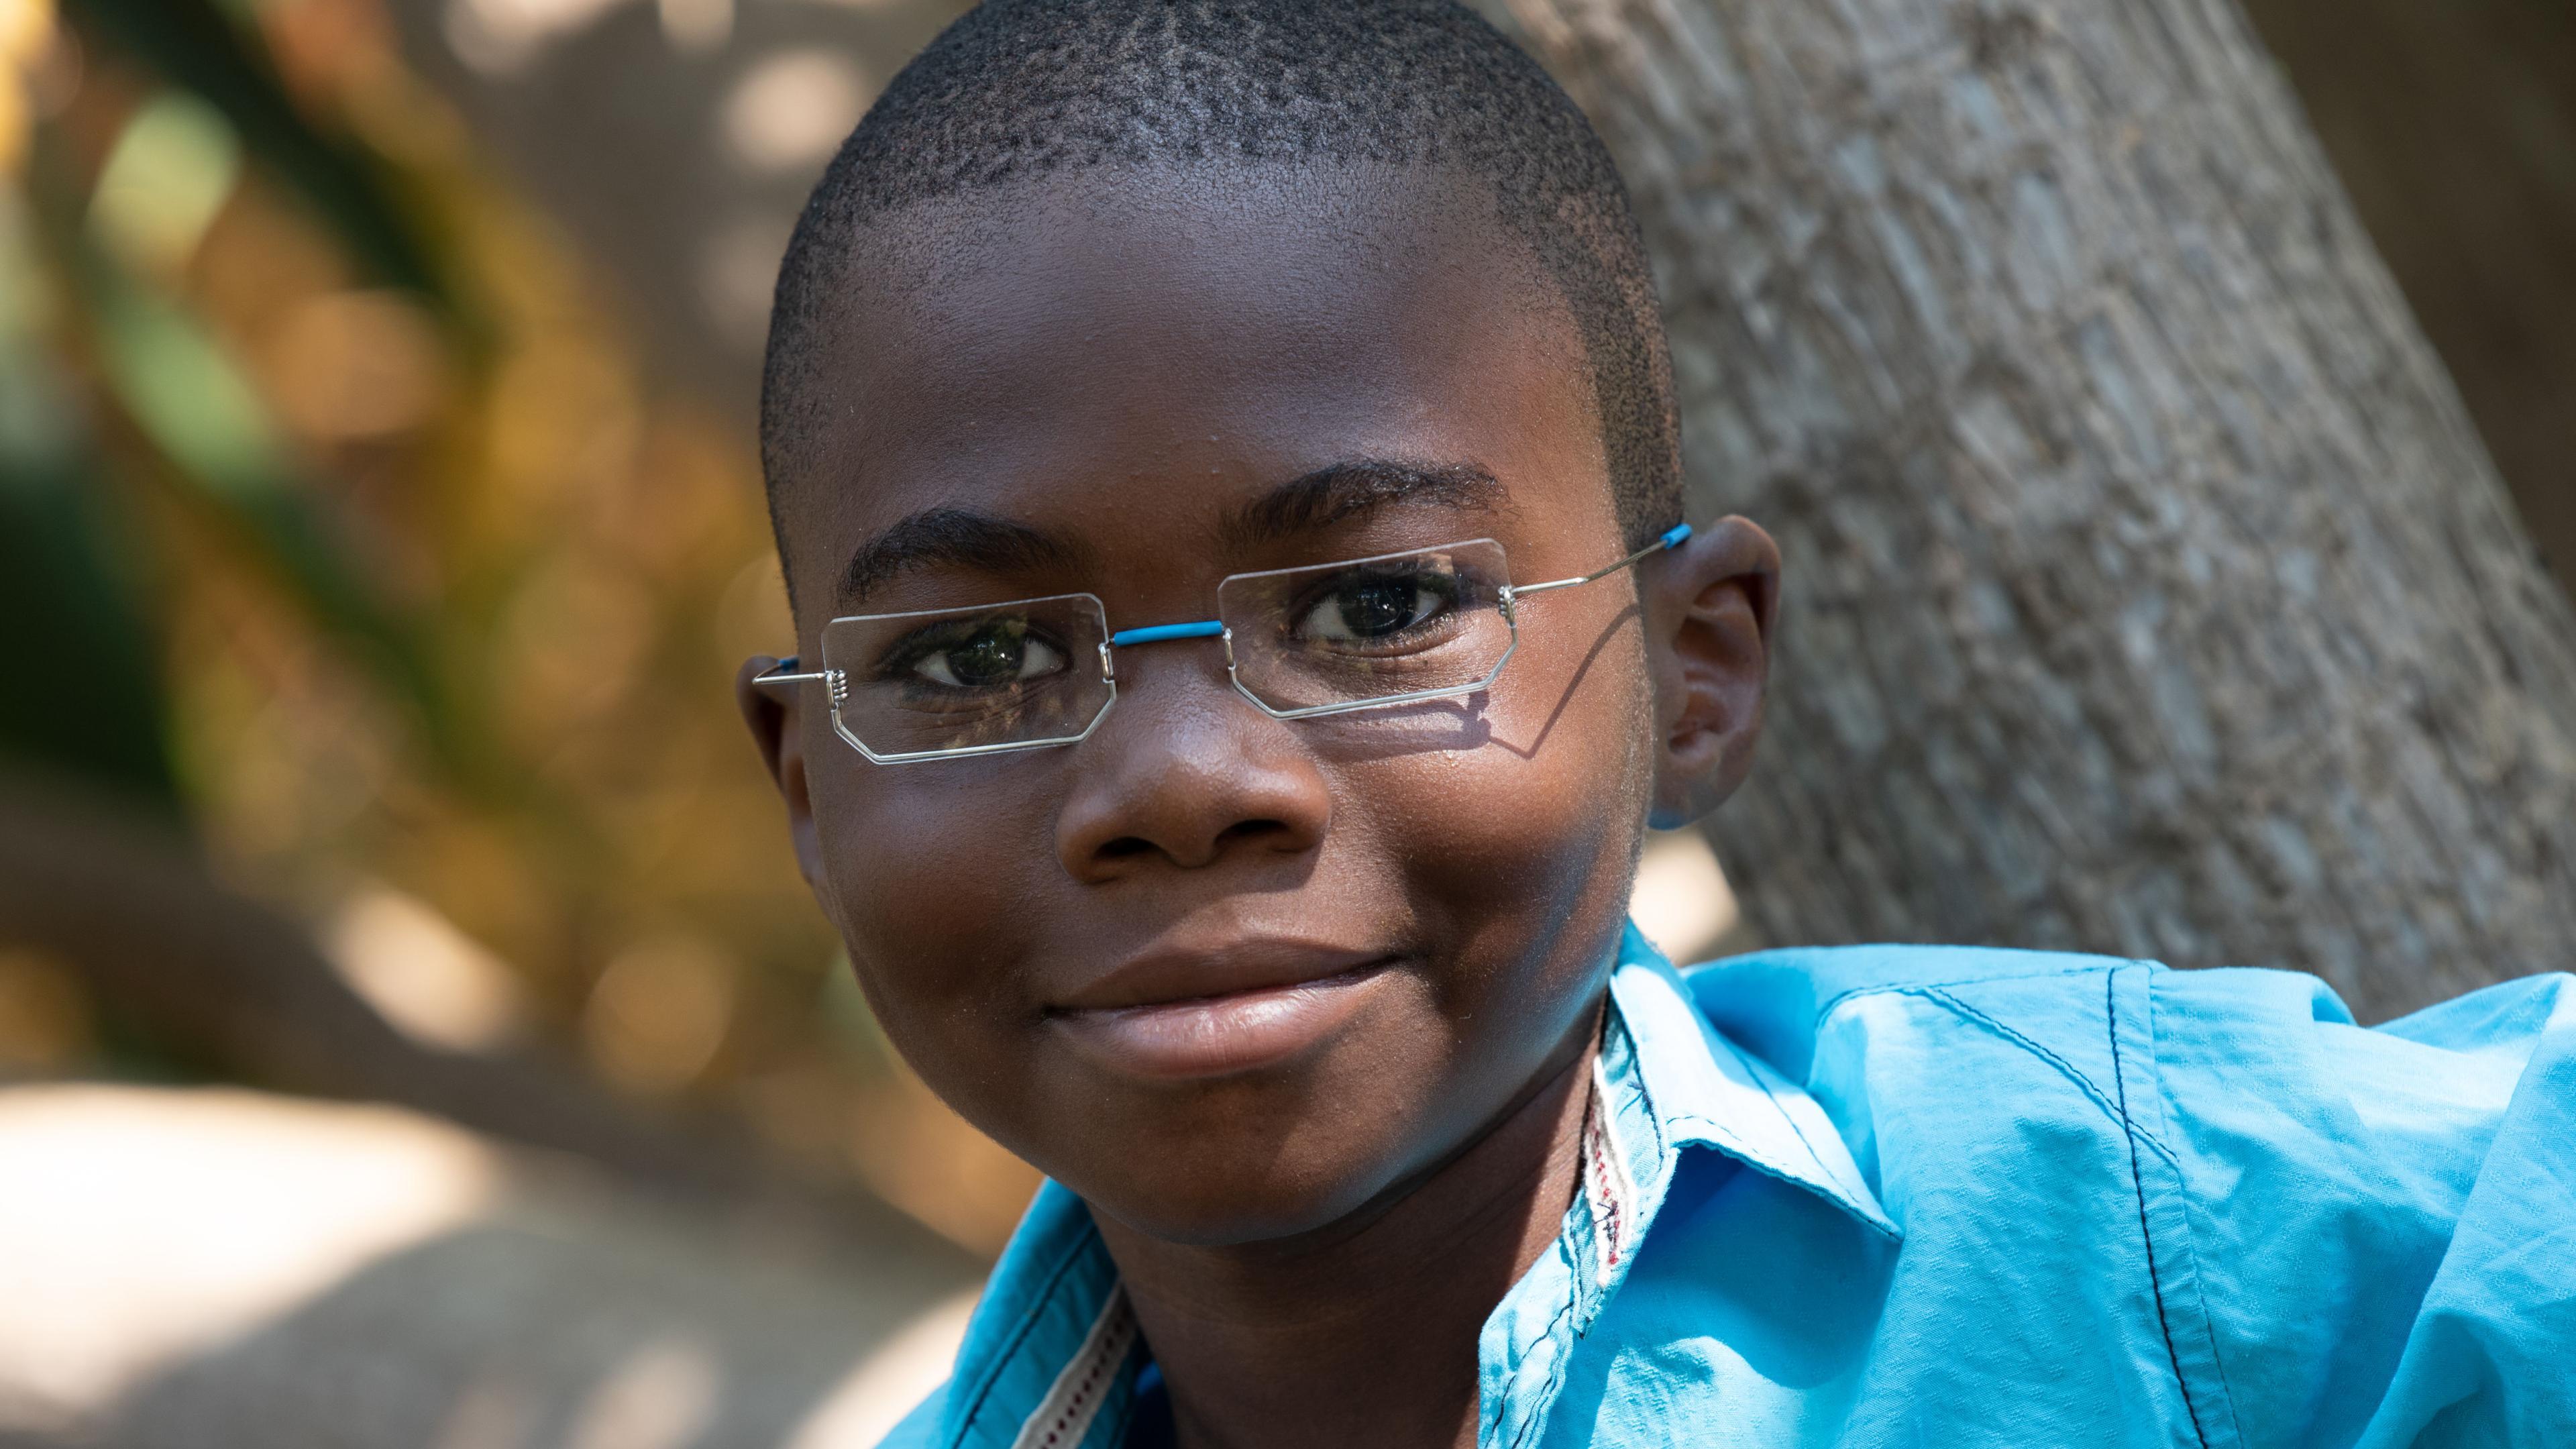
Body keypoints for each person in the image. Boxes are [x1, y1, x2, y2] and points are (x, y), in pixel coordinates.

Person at [733, 2, 2576, 1444]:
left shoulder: (2149, 1245)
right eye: (978, 665)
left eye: (1381, 608)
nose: (1181, 784)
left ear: (1695, 672)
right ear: (810, 794)